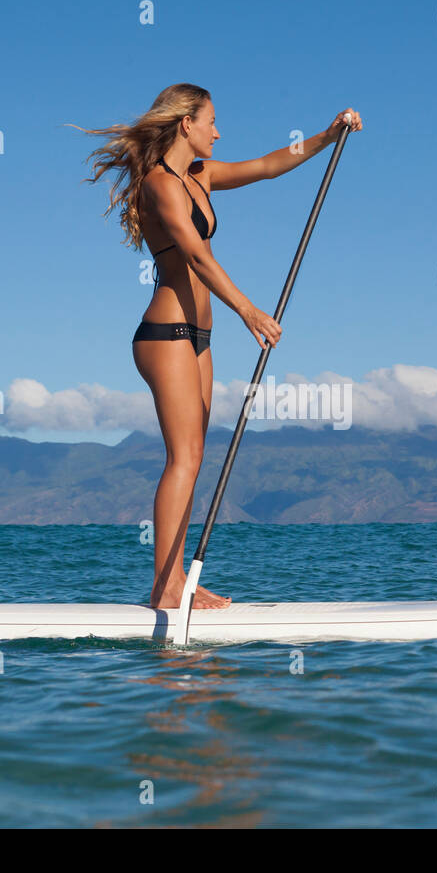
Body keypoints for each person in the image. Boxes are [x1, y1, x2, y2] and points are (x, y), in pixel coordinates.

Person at [72, 84, 362, 610]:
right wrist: (249, 310)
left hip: (199, 339)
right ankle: (165, 587)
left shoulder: (199, 176)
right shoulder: (161, 184)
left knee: (195, 456)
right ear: (186, 123)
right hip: (166, 335)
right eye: (211, 121)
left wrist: (328, 133)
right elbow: (196, 256)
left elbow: (271, 164)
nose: (217, 131)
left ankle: (177, 578)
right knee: (182, 458)